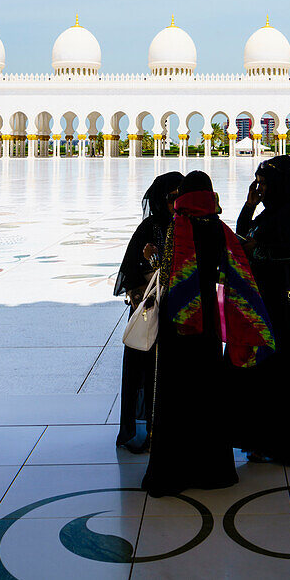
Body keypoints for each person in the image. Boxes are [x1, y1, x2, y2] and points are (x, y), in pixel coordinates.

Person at [142, 170, 275, 497]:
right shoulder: (219, 230)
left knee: (176, 396)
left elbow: (169, 274)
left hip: (179, 325)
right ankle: (213, 470)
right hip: (210, 325)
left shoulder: (178, 227)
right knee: (208, 393)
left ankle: (173, 471)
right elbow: (239, 275)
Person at [231, 155, 290, 466]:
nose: (261, 187)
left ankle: (289, 444)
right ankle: (264, 440)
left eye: (265, 182)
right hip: (266, 304)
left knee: (286, 376)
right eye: (259, 182)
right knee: (266, 375)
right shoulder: (269, 213)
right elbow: (243, 235)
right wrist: (249, 205)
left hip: (284, 307)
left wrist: (258, 251)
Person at [113, 171, 184, 452]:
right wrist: (139, 287)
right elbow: (130, 272)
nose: (175, 203)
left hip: (177, 310)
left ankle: (170, 428)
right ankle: (144, 431)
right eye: (170, 198)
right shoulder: (148, 228)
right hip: (151, 310)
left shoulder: (186, 226)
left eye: (180, 197)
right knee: (144, 370)